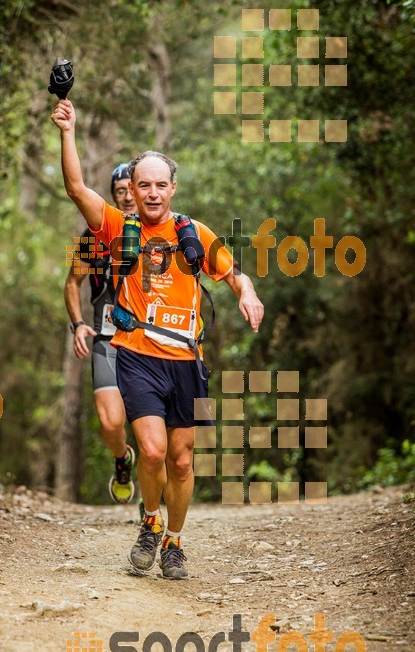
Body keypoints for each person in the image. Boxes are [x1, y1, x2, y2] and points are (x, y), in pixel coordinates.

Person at [51, 98, 264, 580]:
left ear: (172, 188)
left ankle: (173, 541)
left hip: (188, 361)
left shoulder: (193, 232)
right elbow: (75, 186)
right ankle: (149, 522)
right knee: (150, 451)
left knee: (183, 459)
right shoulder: (114, 227)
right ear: (134, 189)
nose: (150, 193)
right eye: (142, 185)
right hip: (136, 356)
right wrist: (68, 131)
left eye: (159, 185)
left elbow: (235, 276)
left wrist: (248, 295)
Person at [64, 164, 138, 504]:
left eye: (130, 188)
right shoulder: (93, 237)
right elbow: (72, 284)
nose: (126, 195)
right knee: (110, 423)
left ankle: (155, 505)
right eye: (119, 190)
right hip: (108, 339)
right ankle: (122, 460)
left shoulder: (159, 231)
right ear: (112, 196)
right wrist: (78, 324)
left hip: (148, 343)